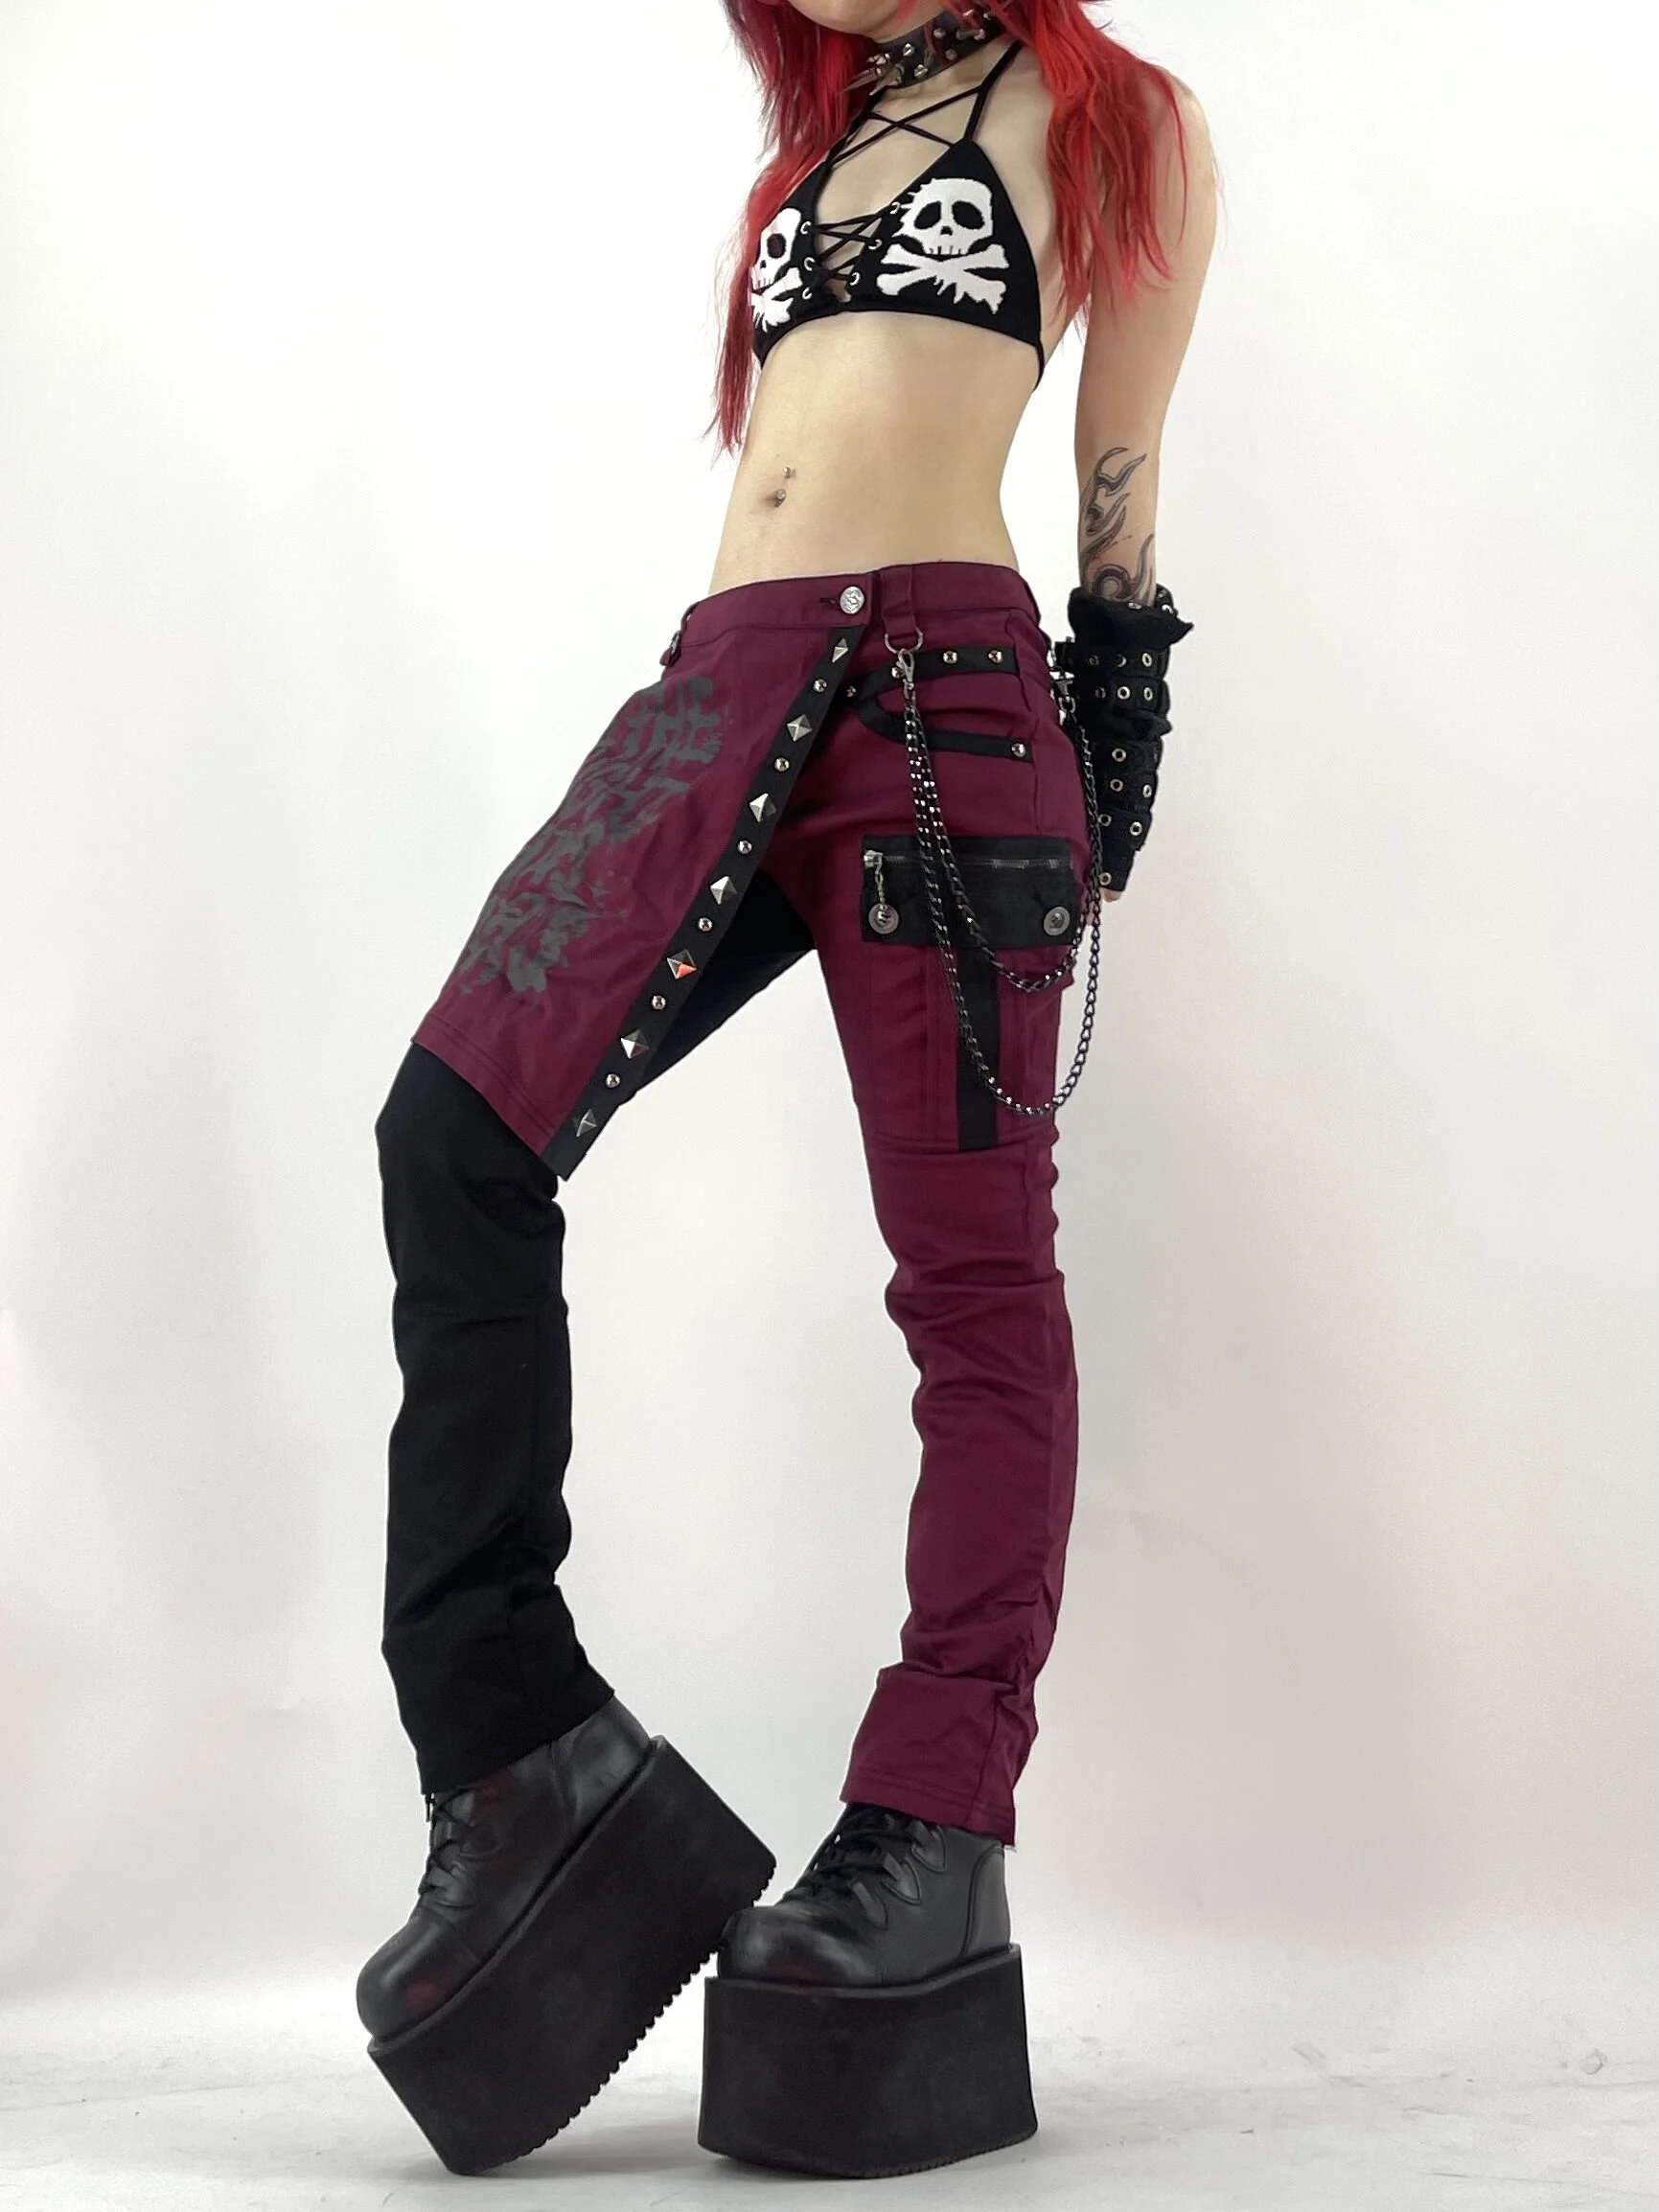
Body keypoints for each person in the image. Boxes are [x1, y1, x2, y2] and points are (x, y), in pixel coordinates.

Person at [354, 0, 1214, 2180]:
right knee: (452, 1135)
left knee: (973, 1286)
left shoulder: (1117, 120)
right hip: (724, 674)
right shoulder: (827, 138)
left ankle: (929, 1829)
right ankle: (519, 1754)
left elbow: (1117, 477)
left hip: (947, 694)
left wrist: (1111, 749)